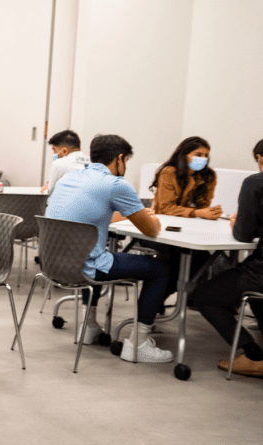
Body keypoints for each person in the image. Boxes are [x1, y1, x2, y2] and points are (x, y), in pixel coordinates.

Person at [45, 134, 173, 362]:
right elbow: (151, 230)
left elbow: (87, 215)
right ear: (120, 158)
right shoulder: (115, 184)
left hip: (53, 264)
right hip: (86, 267)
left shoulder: (70, 178)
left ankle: (89, 326)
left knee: (89, 252)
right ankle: (138, 343)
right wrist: (149, 217)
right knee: (160, 269)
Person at [191, 138, 263, 376]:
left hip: (259, 274)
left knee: (203, 296)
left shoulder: (255, 183)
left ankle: (254, 355)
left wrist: (236, 222)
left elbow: (242, 236)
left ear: (260, 159)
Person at [147, 136, 220, 308]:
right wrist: (196, 211)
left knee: (203, 258)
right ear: (184, 154)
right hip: (163, 230)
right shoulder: (169, 172)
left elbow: (203, 204)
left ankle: (159, 301)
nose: (202, 159)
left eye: (205, 155)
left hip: (189, 230)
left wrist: (210, 212)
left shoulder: (208, 175)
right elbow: (166, 208)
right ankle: (154, 302)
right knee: (176, 259)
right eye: (198, 154)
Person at [43, 130, 89, 195]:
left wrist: (47, 186)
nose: (54, 153)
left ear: (64, 151)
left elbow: (51, 191)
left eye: (54, 149)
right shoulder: (92, 161)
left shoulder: (58, 164)